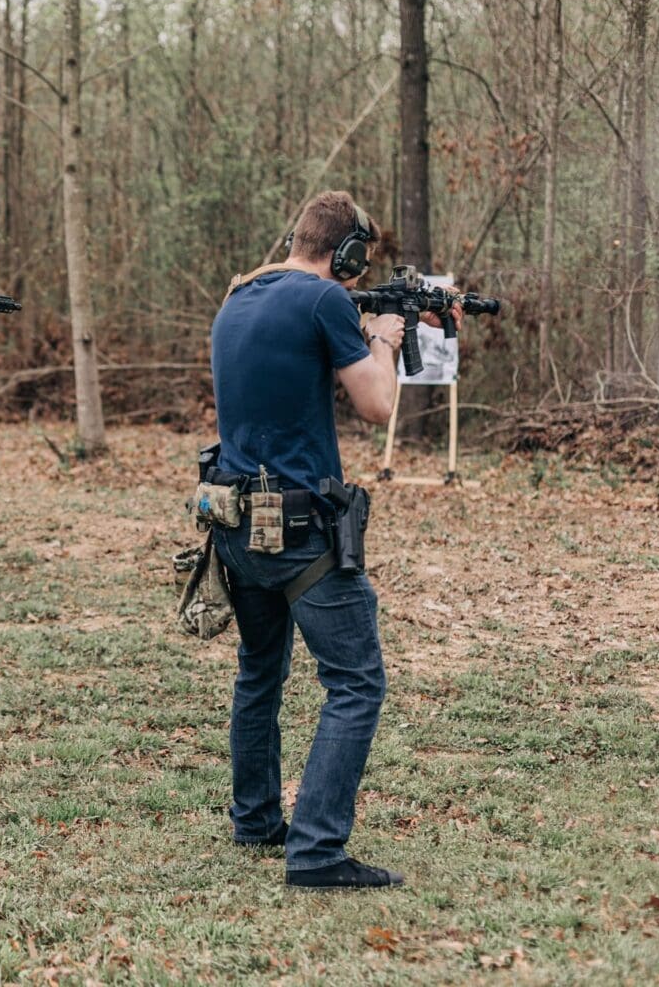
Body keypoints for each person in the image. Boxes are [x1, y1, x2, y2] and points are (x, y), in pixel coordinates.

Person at [208, 191, 456, 890]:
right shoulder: (324, 304)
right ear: (346, 255)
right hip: (297, 528)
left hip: (233, 520)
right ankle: (316, 850)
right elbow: (376, 403)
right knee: (356, 682)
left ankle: (256, 819)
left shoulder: (240, 295)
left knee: (260, 671)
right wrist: (382, 332)